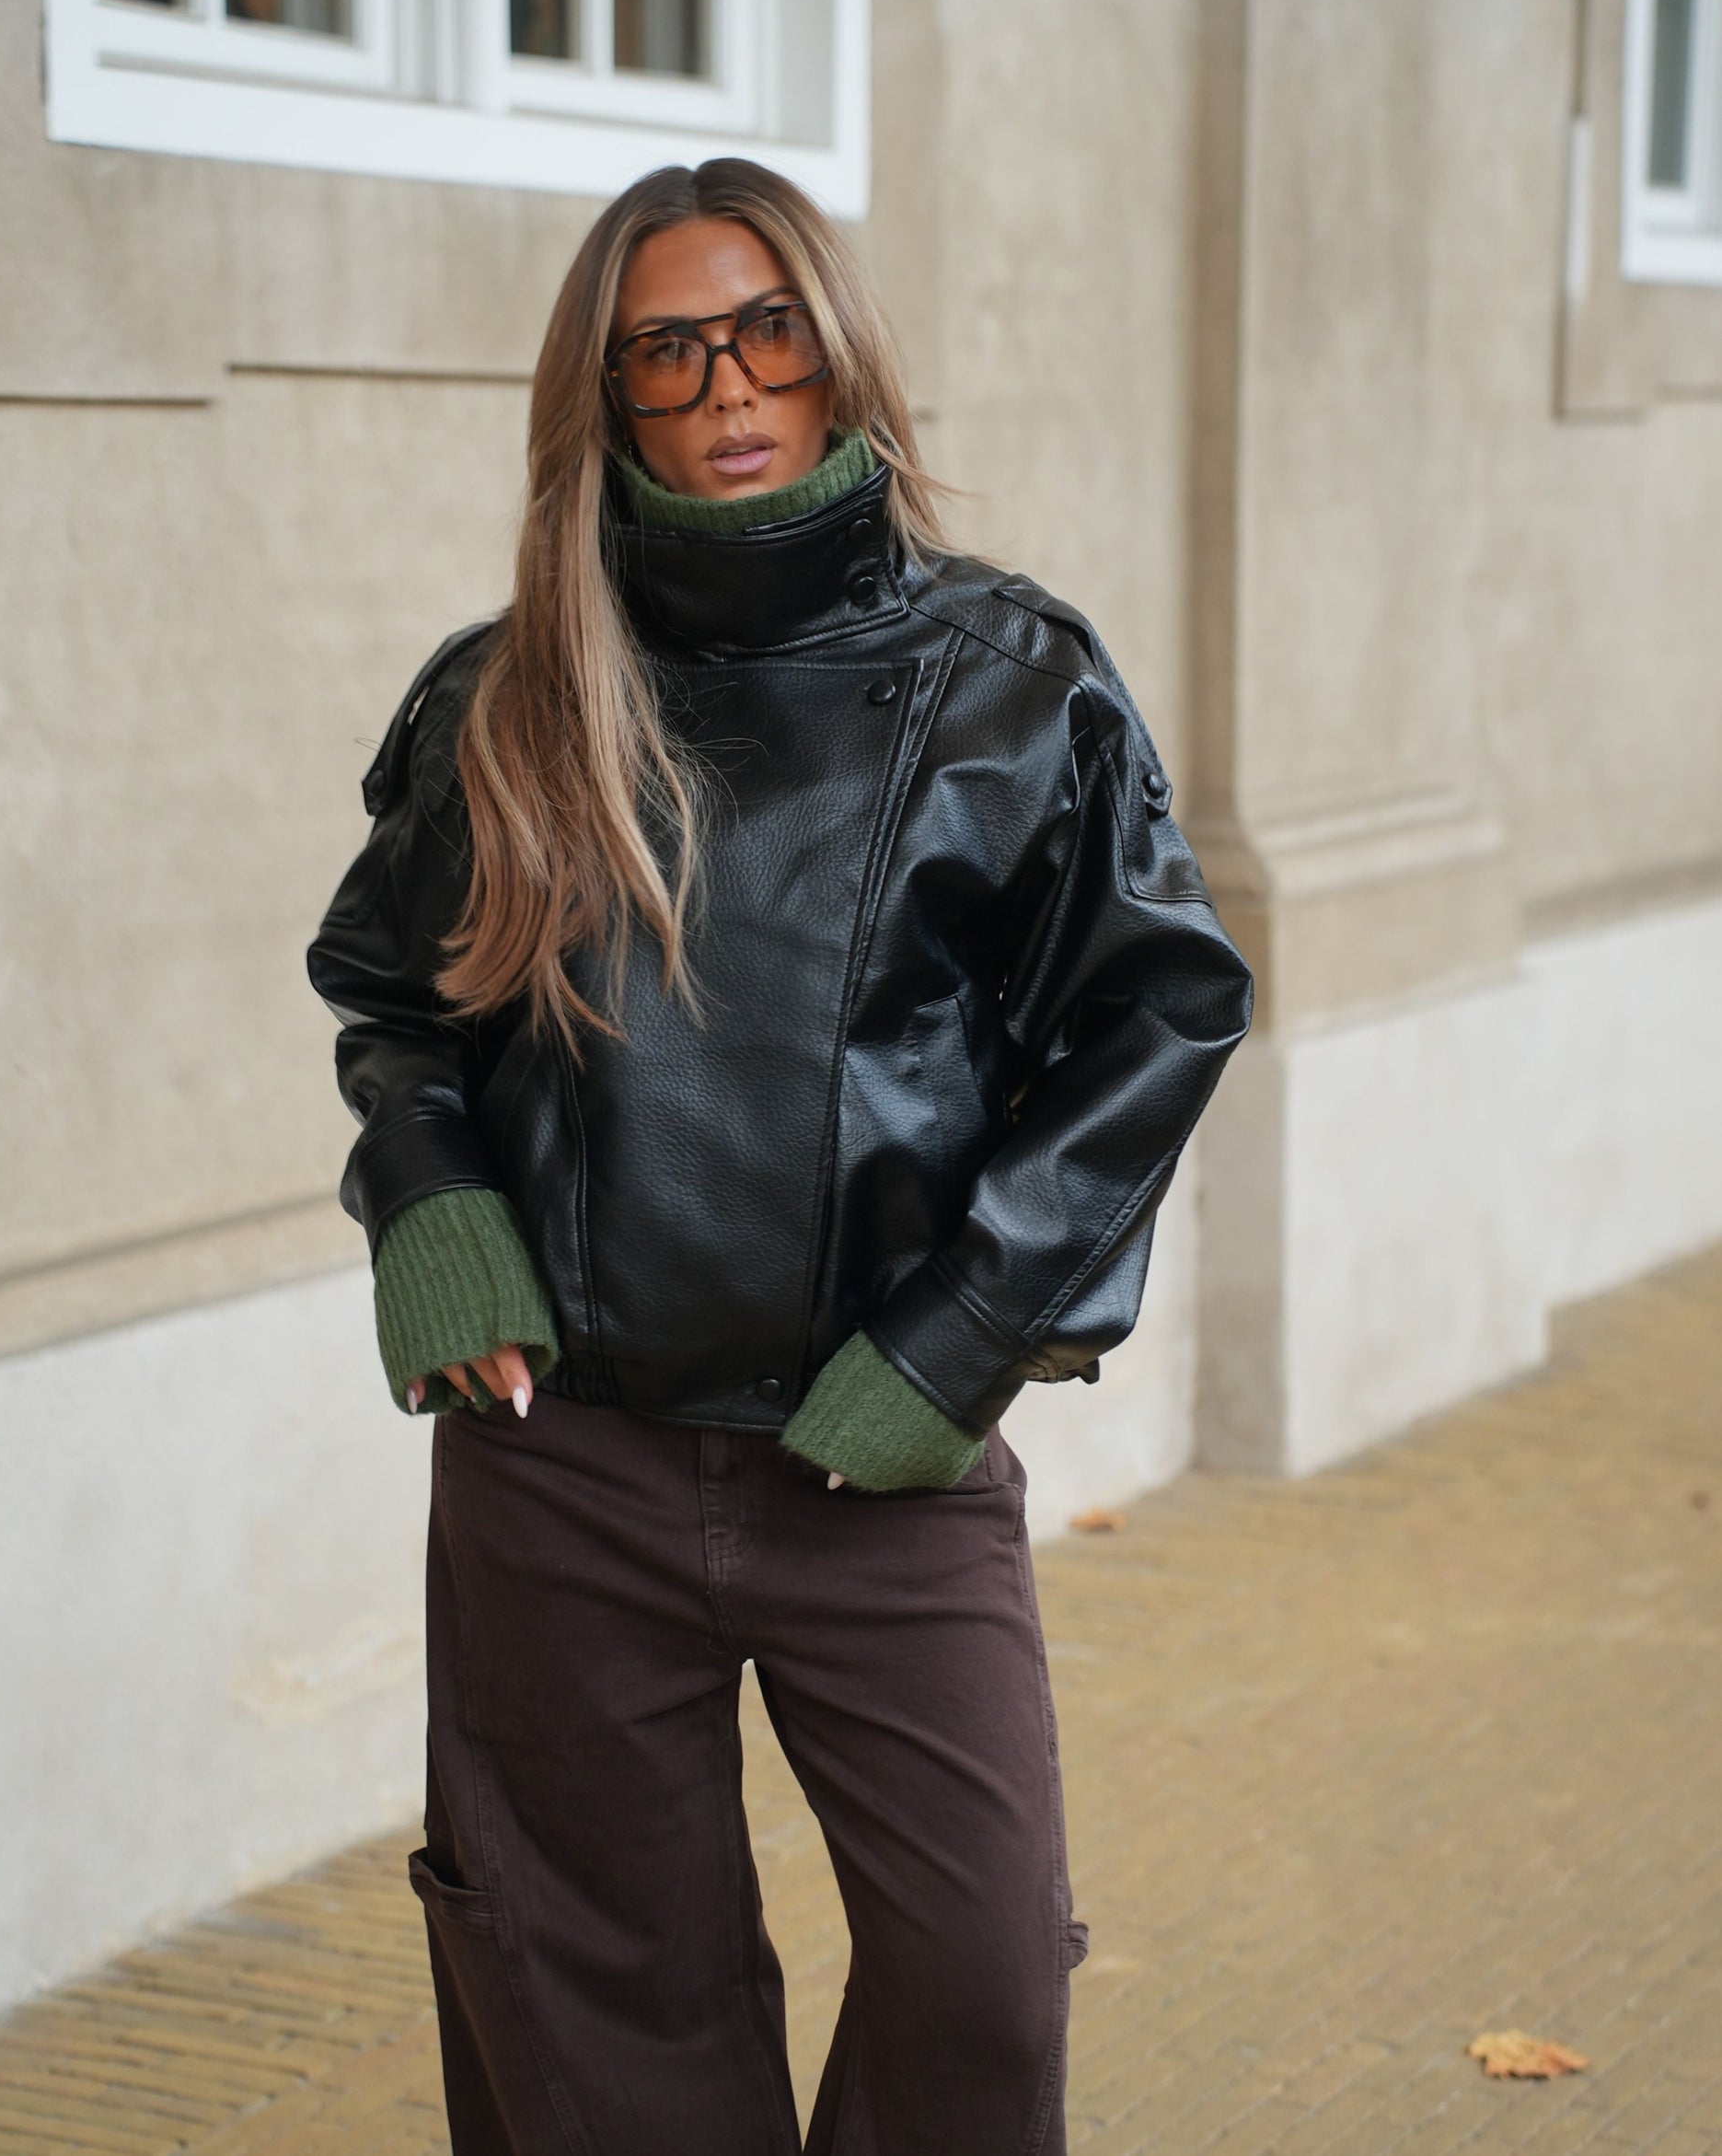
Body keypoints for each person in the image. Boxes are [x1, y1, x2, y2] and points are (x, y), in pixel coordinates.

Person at [307, 156, 1253, 2156]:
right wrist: (436, 1208)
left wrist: (955, 1342)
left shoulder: (1011, 681)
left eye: (766, 332)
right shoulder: (508, 694)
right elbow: (396, 998)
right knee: (599, 2010)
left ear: (836, 354)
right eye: (666, 350)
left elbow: (1156, 1012)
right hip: (565, 1465)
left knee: (978, 1981)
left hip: (879, 1455)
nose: (727, 384)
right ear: (607, 398)